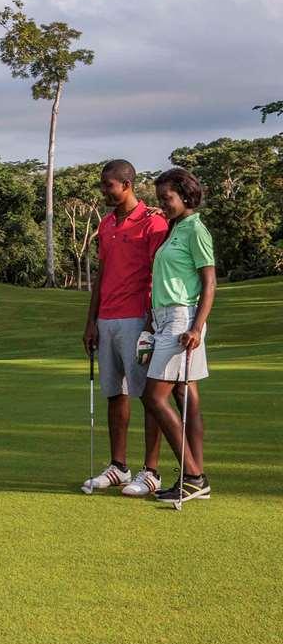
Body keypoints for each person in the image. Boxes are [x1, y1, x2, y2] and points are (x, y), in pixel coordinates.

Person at [82, 159, 169, 496]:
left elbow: (159, 276)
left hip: (138, 318)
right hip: (107, 319)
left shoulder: (153, 222)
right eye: (103, 185)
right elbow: (102, 275)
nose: (104, 190)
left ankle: (151, 471)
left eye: (109, 185)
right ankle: (118, 466)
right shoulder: (105, 225)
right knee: (114, 393)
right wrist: (91, 320)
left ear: (127, 184)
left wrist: (151, 322)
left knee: (149, 396)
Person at [141, 168, 216, 504]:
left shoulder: (196, 230)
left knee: (153, 397)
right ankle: (195, 477)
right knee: (185, 397)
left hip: (182, 319)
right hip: (165, 319)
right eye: (160, 200)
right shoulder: (176, 227)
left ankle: (194, 475)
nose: (163, 204)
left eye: (167, 198)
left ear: (186, 196)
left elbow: (209, 282)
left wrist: (197, 327)